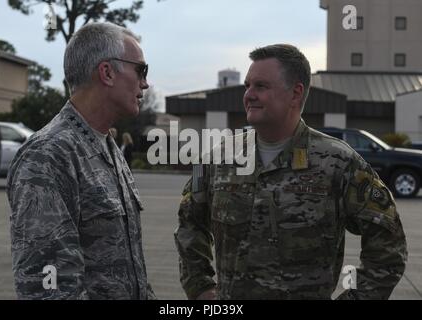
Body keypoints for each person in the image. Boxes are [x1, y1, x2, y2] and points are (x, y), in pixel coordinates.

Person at [174, 44, 407, 300]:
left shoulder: (337, 162)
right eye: (247, 85)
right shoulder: (218, 158)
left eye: (260, 86)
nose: (249, 95)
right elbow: (190, 224)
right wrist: (200, 288)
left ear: (295, 94)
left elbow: (388, 244)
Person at [7, 22, 155, 300]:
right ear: (107, 72)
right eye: (141, 70)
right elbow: (47, 288)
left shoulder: (108, 148)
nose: (145, 82)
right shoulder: (48, 156)